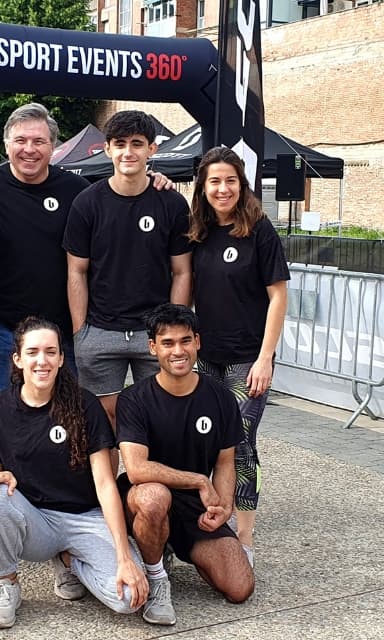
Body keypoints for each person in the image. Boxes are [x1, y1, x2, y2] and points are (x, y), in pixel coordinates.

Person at [0, 103, 173, 392]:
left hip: (68, 327)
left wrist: (153, 180)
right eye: (21, 140)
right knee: (14, 414)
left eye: (39, 141)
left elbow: (120, 193)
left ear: (53, 146)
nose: (29, 149)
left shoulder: (77, 190)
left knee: (74, 416)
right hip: (9, 327)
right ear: (6, 143)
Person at [0, 316, 148, 629]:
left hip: (84, 516)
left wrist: (123, 556)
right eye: (33, 352)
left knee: (128, 599)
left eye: (51, 352)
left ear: (62, 358)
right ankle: (7, 583)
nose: (42, 361)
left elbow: (105, 484)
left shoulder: (85, 404)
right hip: (36, 522)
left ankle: (69, 560)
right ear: (17, 359)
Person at [116, 303, 254, 626]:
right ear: (153, 348)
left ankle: (173, 545)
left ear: (197, 343)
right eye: (167, 343)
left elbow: (224, 462)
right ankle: (156, 577)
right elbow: (136, 469)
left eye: (185, 341)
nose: (178, 351)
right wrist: (199, 481)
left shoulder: (220, 399)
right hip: (144, 495)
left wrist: (222, 507)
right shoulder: (134, 399)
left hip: (192, 505)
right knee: (154, 498)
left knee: (240, 586)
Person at [187, 147, 290, 565]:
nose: (222, 188)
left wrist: (266, 357)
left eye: (230, 180)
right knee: (207, 439)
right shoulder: (197, 230)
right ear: (203, 186)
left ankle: (243, 539)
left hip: (248, 358)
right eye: (214, 181)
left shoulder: (259, 230)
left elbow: (278, 295)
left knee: (241, 441)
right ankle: (213, 516)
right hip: (207, 356)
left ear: (241, 183)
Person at [64, 110, 192, 428]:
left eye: (137, 143)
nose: (128, 152)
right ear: (107, 149)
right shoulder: (87, 203)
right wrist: (82, 332)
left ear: (152, 149)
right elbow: (76, 271)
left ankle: (150, 479)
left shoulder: (171, 204)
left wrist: (172, 327)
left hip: (154, 332)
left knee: (161, 418)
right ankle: (106, 481)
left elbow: (182, 271)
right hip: (100, 331)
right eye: (119, 143)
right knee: (101, 422)